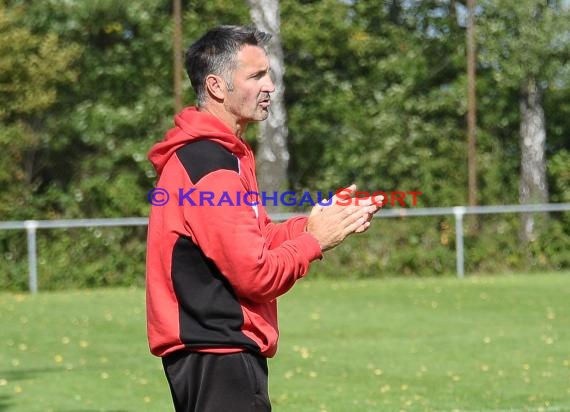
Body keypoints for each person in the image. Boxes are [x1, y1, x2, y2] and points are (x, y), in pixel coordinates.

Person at [146, 25, 383, 412]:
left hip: (215, 352)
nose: (270, 85)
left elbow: (254, 239)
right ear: (217, 87)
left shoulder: (223, 156)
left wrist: (313, 224)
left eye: (269, 74)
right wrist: (314, 242)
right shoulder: (211, 164)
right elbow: (255, 274)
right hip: (218, 353)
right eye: (256, 76)